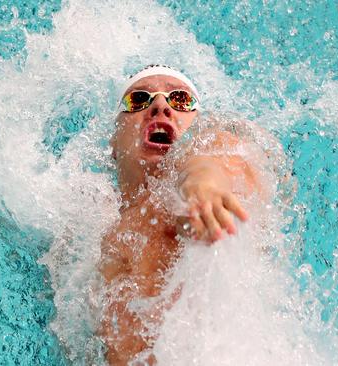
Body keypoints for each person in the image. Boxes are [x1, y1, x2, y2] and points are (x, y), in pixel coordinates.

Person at [99, 65, 285, 365]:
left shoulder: (209, 158)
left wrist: (204, 188)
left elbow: (206, 165)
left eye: (181, 100)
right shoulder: (90, 224)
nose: (160, 105)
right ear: (113, 145)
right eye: (138, 100)